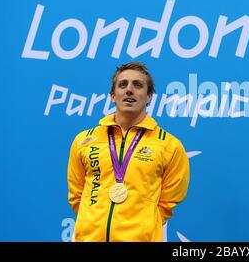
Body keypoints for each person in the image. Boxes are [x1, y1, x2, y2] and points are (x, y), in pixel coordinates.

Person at [67, 61, 190, 242]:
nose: (129, 90)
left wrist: (145, 226)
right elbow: (77, 194)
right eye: (123, 85)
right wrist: (91, 223)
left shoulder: (169, 145)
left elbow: (170, 200)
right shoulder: (84, 140)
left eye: (137, 85)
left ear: (148, 96)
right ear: (112, 95)